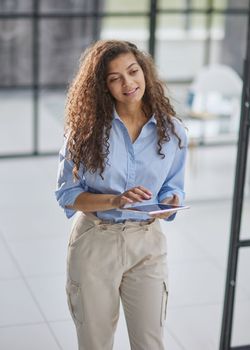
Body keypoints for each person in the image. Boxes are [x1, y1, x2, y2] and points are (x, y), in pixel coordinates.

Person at [55, 39, 188, 350]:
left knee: (150, 343)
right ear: (103, 87)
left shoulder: (174, 132)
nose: (128, 83)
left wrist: (171, 201)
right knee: (95, 343)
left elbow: (174, 186)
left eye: (133, 71)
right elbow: (67, 194)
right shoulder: (85, 132)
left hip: (147, 245)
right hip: (95, 243)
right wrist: (115, 200)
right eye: (114, 78)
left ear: (145, 72)